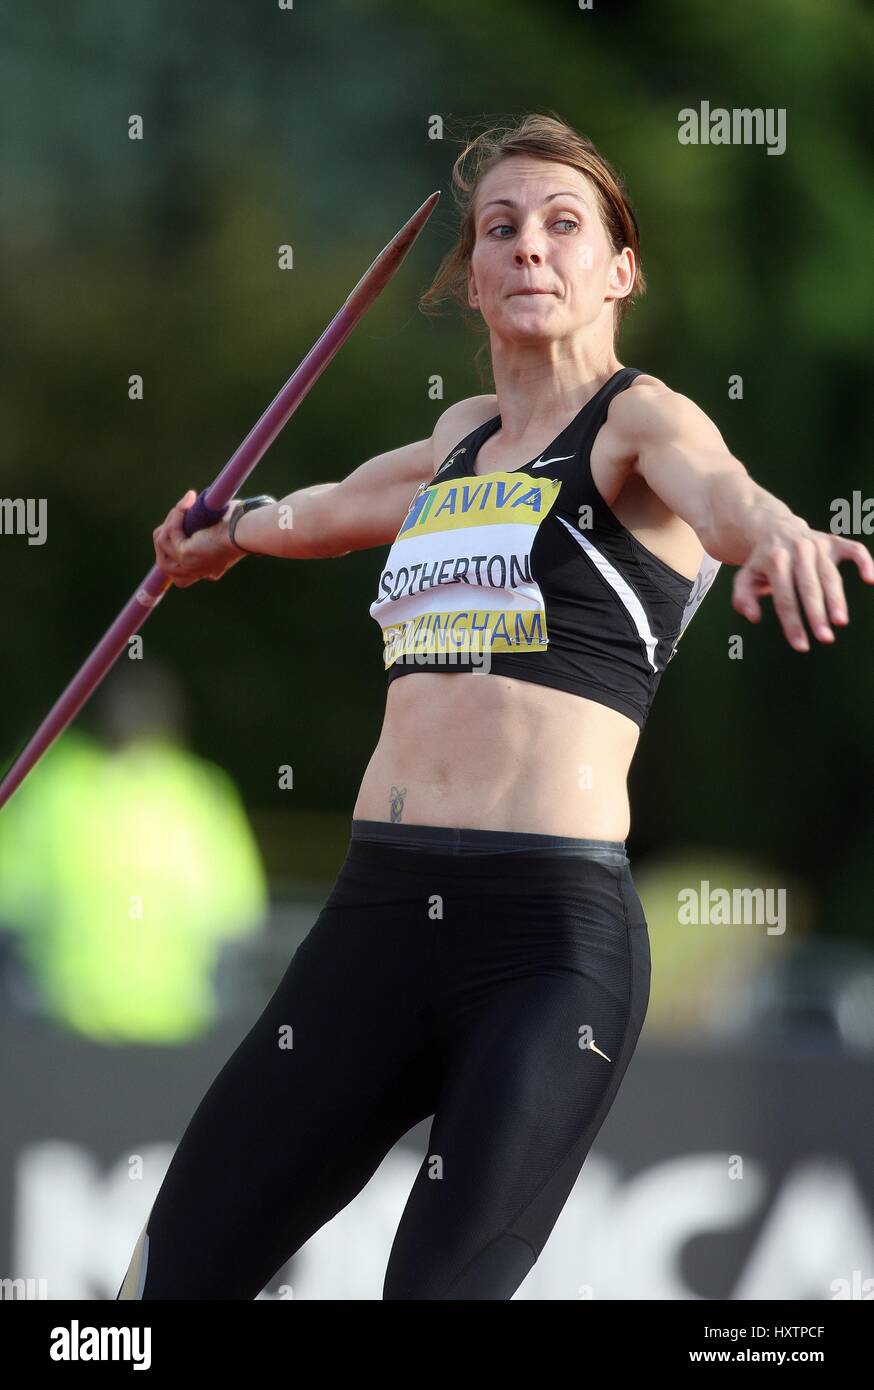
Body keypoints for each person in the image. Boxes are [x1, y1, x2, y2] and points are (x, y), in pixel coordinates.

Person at [117, 113, 873, 1299]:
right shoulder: (457, 442)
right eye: (500, 228)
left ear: (619, 270)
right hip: (372, 919)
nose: (529, 246)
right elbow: (324, 508)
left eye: (563, 225)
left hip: (544, 944)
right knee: (164, 1285)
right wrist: (226, 535)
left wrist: (775, 535)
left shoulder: (638, 425)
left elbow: (725, 494)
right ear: (468, 278)